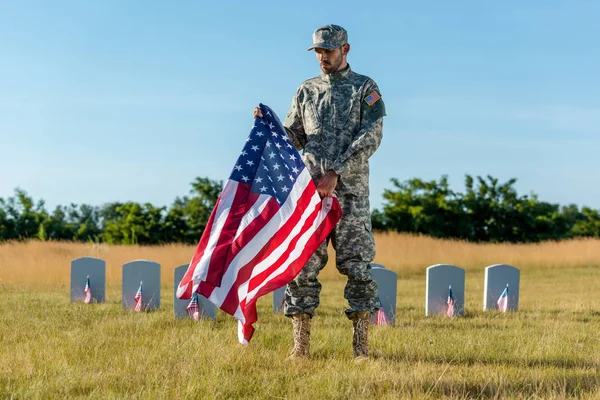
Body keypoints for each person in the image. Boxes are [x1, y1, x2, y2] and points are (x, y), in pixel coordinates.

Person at [253, 24, 385, 361]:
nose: (323, 57)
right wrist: (271, 128)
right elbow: (295, 136)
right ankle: (300, 350)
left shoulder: (364, 88)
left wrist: (336, 172)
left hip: (350, 194)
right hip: (310, 195)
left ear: (346, 49)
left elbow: (371, 137)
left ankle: (361, 350)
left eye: (328, 50)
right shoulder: (306, 91)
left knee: (358, 268)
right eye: (318, 52)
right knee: (302, 268)